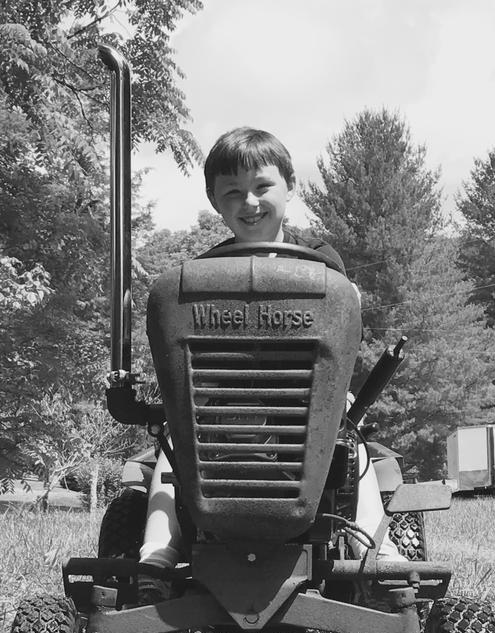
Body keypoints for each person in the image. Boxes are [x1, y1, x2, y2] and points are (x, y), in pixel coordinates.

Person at [138, 127, 404, 603]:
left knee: (350, 445)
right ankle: (158, 550)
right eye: (232, 192)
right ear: (214, 200)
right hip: (224, 409)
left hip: (304, 407)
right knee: (173, 447)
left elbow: (338, 340)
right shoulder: (202, 276)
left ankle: (374, 547)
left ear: (290, 186)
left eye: (262, 186)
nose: (250, 202)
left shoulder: (324, 265)